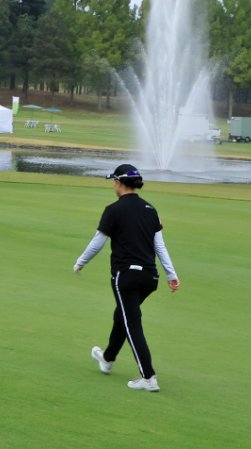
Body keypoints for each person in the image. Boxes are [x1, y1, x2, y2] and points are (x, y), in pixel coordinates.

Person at [74, 164, 179, 392]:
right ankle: (108, 358)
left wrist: (80, 262)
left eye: (114, 181)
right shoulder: (150, 209)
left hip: (126, 276)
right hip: (150, 278)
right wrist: (171, 274)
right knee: (123, 314)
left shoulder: (114, 209)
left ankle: (148, 377)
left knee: (132, 322)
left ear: (119, 183)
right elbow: (159, 246)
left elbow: (97, 243)